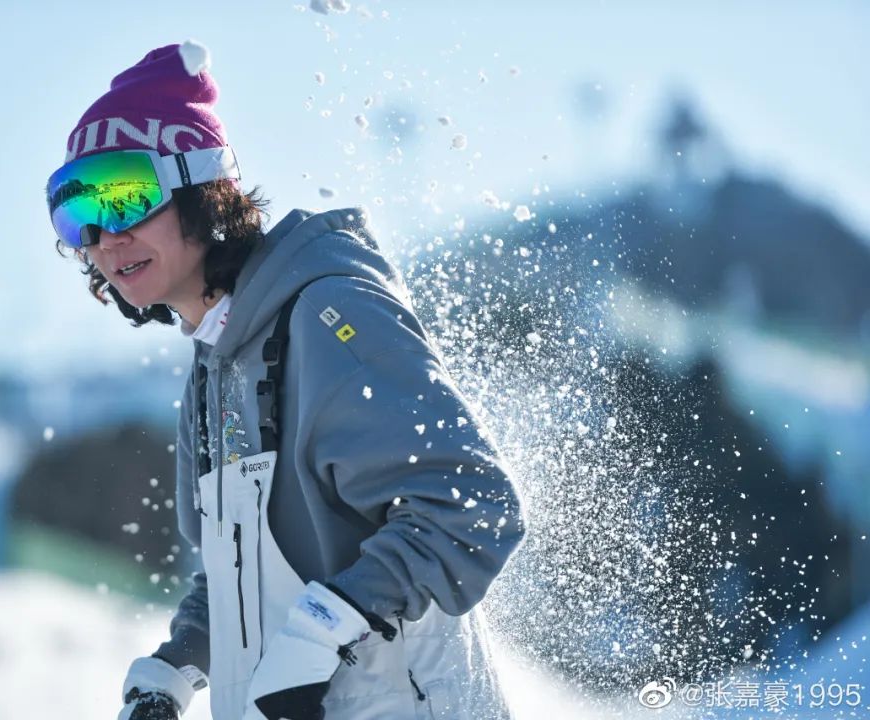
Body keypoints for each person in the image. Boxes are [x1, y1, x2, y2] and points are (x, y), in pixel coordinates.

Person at [46, 43, 527, 720]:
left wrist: (324, 632)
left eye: (124, 199)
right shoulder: (212, 365)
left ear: (201, 187)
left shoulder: (327, 317)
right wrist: (175, 669)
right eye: (76, 214)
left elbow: (470, 506)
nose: (104, 238)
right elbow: (239, 580)